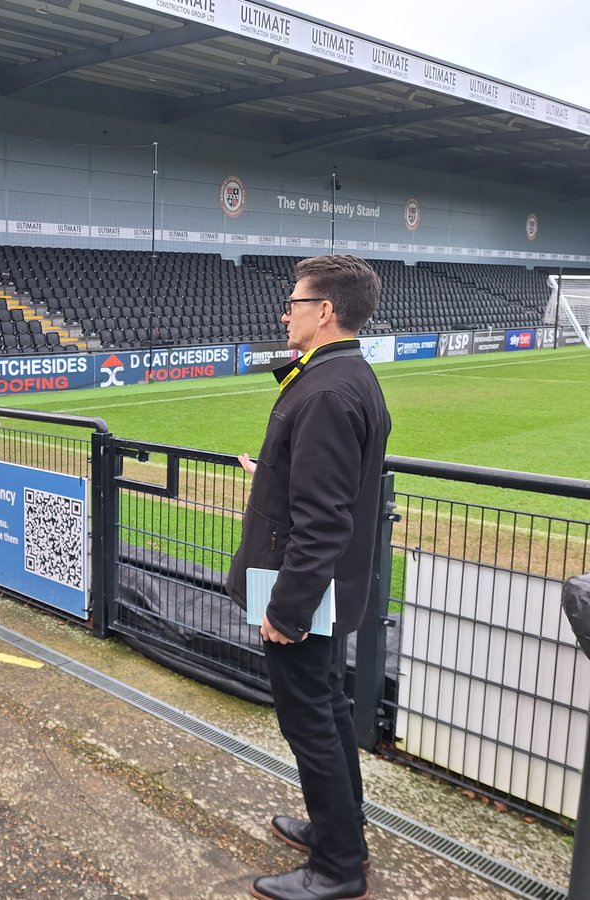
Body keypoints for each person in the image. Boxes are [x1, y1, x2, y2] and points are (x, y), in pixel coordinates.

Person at [226, 255, 391, 900]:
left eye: (294, 303)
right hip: (322, 588)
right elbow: (325, 487)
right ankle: (339, 832)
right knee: (325, 708)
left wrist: (288, 610)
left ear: (324, 311)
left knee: (310, 722)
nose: (285, 314)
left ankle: (338, 866)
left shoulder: (325, 390)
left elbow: (323, 521)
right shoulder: (345, 375)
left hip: (303, 593)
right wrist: (270, 474)